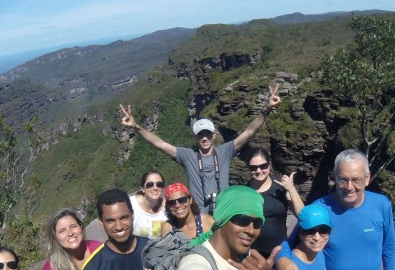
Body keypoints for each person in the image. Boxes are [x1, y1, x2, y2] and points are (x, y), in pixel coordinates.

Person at [118, 84, 282, 214]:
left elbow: (249, 132)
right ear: (195, 137)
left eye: (208, 134)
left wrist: (265, 110)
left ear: (214, 136)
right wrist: (136, 127)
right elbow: (159, 143)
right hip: (199, 216)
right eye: (200, 135)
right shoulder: (187, 155)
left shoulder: (225, 152)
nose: (204, 138)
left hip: (224, 213)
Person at [246, 146, 305, 259]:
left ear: (269, 164)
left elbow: (303, 215)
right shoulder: (245, 191)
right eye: (254, 167)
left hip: (280, 252)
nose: (259, 171)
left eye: (263, 166)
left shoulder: (281, 188)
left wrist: (291, 189)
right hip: (252, 253)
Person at [129, 170, 169, 239]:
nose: (155, 188)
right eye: (150, 185)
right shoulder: (130, 204)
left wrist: (193, 243)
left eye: (159, 184)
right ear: (142, 188)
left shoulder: (169, 206)